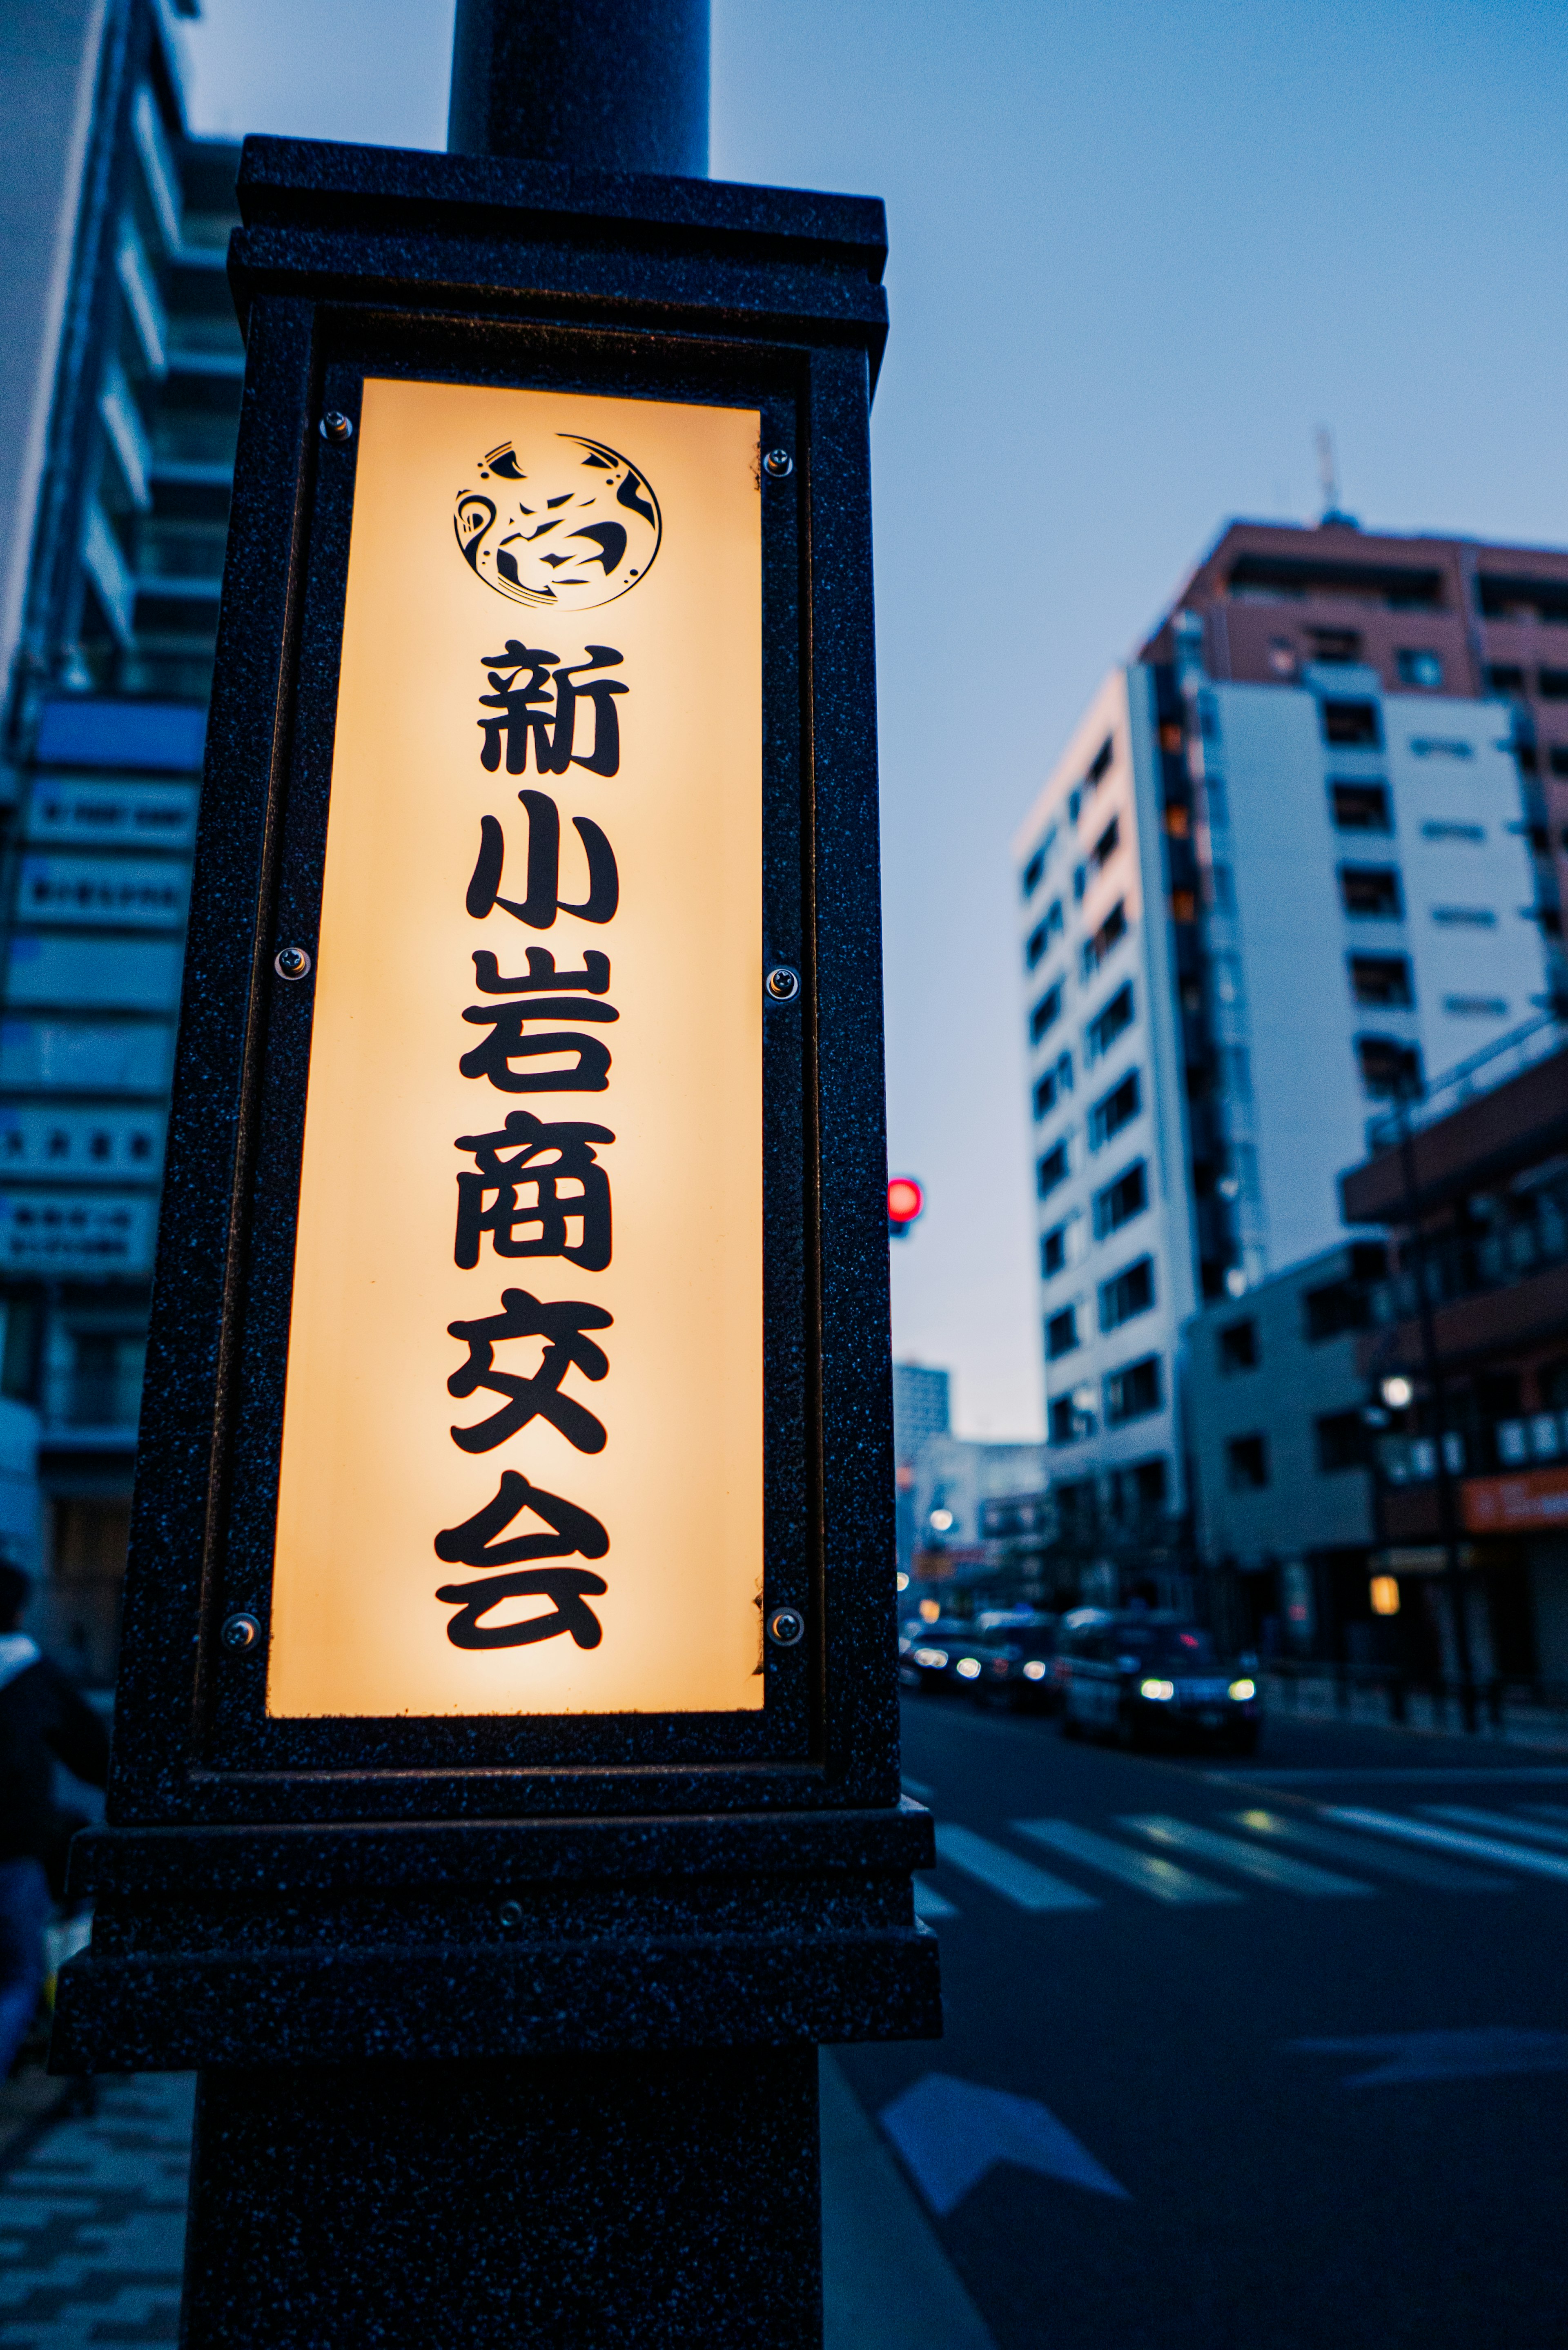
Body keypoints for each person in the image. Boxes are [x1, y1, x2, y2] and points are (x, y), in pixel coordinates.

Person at [0, 1561, 109, 2074]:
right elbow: (93, 1754)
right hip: (13, 1849)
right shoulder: (32, 1676)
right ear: (21, 1609)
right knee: (17, 1977)